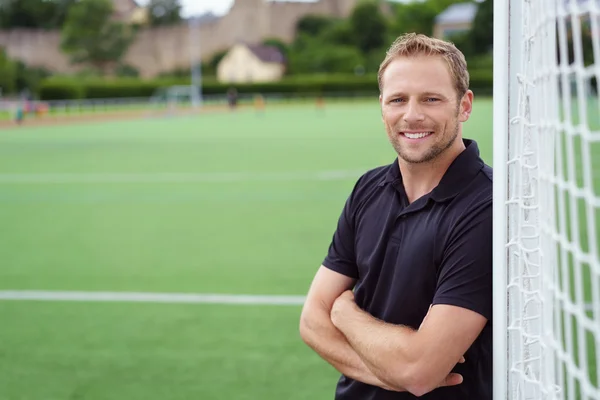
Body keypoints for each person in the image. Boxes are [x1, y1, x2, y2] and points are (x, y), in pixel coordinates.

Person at [299, 33, 493, 399]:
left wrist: (345, 314)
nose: (412, 115)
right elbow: (311, 323)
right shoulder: (368, 188)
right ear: (382, 107)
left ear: (464, 105)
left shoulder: (487, 206)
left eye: (431, 99)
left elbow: (419, 371)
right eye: (398, 100)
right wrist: (399, 374)